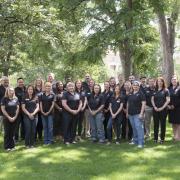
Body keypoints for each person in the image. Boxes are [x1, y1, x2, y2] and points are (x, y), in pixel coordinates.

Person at [127, 81, 146, 148]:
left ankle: (141, 142)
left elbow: (143, 104)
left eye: (136, 85)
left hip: (138, 114)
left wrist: (141, 113)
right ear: (132, 86)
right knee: (134, 128)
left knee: (139, 128)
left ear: (138, 86)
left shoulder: (141, 94)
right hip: (130, 114)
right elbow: (128, 103)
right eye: (134, 85)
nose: (135, 86)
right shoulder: (130, 93)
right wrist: (127, 112)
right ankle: (135, 141)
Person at [151, 77, 170, 144]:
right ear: (157, 82)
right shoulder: (154, 90)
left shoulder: (166, 90)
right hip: (155, 109)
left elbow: (168, 100)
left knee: (163, 124)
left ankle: (162, 139)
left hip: (163, 110)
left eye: (161, 81)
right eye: (158, 81)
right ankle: (155, 138)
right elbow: (152, 100)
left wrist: (162, 108)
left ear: (163, 82)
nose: (159, 82)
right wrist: (155, 107)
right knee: (155, 124)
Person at [1, 87, 19, 151]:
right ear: (7, 91)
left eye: (12, 91)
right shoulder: (4, 99)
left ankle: (12, 146)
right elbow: (3, 109)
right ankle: (7, 147)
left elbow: (17, 108)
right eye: (10, 91)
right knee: (7, 133)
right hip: (6, 118)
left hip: (14, 118)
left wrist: (15, 117)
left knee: (13, 132)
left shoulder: (16, 98)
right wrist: (9, 117)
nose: (11, 92)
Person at [168, 76, 180, 141]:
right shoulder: (169, 88)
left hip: (178, 108)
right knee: (173, 123)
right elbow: (166, 97)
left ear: (177, 81)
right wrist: (168, 105)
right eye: (172, 80)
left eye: (175, 80)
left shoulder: (179, 88)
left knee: (178, 123)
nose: (174, 81)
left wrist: (174, 105)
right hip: (170, 109)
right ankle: (174, 135)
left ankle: (178, 137)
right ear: (171, 81)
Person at [15, 78, 26, 142]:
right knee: (17, 125)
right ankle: (16, 138)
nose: (21, 83)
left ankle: (23, 137)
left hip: (24, 110)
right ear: (17, 83)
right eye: (19, 82)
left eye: (22, 82)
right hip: (18, 110)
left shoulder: (25, 89)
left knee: (24, 124)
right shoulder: (15, 90)